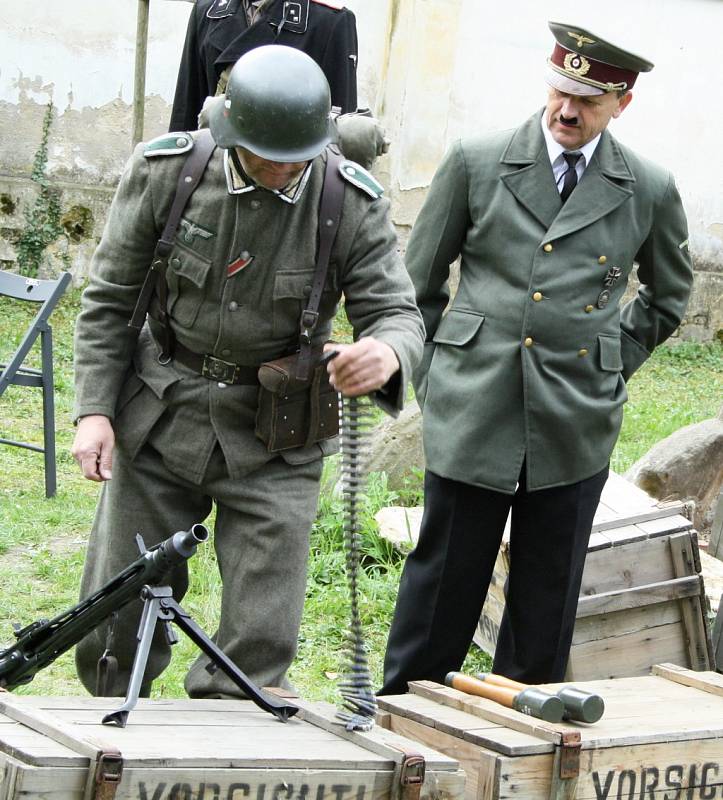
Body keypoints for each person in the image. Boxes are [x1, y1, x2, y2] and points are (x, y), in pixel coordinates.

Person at [71, 45, 423, 698]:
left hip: (275, 436)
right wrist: (94, 409)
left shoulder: (349, 199)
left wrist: (387, 352)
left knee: (259, 640)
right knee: (114, 619)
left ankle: (226, 743)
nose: (278, 171)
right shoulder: (168, 172)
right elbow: (111, 298)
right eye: (263, 154)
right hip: (159, 414)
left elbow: (397, 312)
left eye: (295, 158)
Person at [381, 22, 693, 694]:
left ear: (621, 105)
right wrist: (436, 376)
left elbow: (667, 297)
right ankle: (403, 720)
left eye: (589, 100)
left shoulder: (645, 185)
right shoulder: (477, 159)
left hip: (573, 417)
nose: (567, 110)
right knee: (442, 583)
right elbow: (417, 286)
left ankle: (521, 741)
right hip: (473, 402)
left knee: (544, 598)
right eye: (560, 91)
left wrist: (608, 361)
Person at [169, 0, 358, 132]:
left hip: (287, 172)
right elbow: (186, 112)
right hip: (217, 172)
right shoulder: (207, 12)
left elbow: (338, 130)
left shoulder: (329, 21)